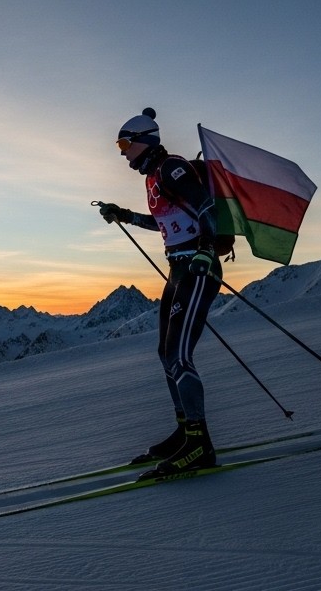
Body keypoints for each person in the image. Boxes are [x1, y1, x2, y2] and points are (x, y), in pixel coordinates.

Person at [98, 108, 223, 477]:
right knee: (166, 353)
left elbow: (206, 205)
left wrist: (205, 248)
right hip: (178, 268)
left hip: (198, 266)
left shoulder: (172, 167)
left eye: (124, 143)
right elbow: (167, 221)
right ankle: (186, 432)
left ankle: (200, 444)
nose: (122, 152)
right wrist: (126, 216)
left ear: (143, 141)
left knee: (179, 355)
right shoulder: (154, 177)